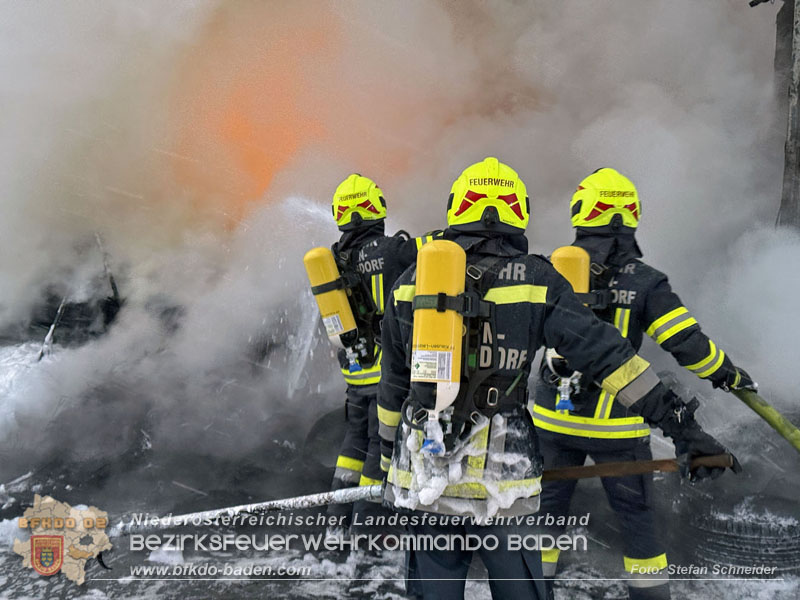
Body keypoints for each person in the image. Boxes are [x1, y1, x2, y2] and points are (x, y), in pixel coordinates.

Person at [378, 157, 739, 600]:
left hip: (427, 474)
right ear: (518, 212)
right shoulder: (538, 279)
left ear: (457, 208)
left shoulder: (409, 281)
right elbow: (611, 359)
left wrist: (385, 467)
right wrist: (683, 429)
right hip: (505, 484)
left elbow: (393, 388)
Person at [532, 167, 754, 599]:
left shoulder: (551, 268)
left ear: (581, 212)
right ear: (631, 216)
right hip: (618, 425)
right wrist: (728, 374)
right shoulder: (645, 281)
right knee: (637, 523)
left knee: (546, 517)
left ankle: (534, 591)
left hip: (553, 420)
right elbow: (686, 343)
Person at [323, 173, 430, 531]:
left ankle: (336, 525)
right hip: (387, 373)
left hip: (355, 372)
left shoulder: (333, 259)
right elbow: (439, 248)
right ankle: (365, 533)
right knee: (377, 449)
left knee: (352, 448)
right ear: (378, 209)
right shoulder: (392, 249)